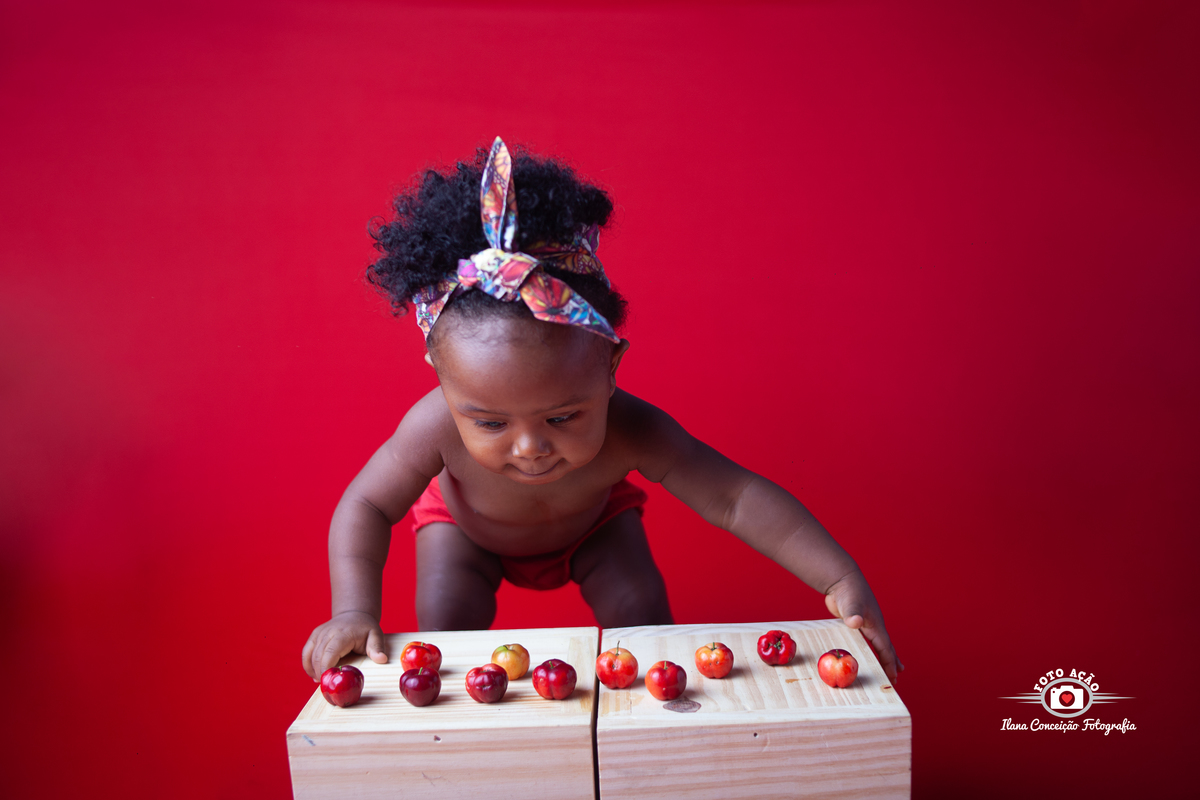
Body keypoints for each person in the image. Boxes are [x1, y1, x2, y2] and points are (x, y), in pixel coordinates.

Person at [302, 137, 903, 683]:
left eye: (562, 417)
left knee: (642, 615)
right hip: (469, 535)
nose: (530, 447)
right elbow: (367, 503)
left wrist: (838, 577)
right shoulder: (431, 427)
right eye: (488, 422)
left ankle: (653, 734)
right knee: (443, 635)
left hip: (593, 527)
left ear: (610, 368)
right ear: (440, 375)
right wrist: (354, 612)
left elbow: (735, 497)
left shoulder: (632, 428)